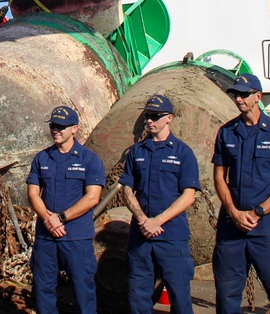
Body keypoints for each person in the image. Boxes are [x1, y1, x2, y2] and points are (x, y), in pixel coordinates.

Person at [211, 74, 270, 314]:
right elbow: (219, 177)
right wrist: (233, 212)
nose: (238, 99)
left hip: (269, 229)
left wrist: (258, 212)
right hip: (232, 227)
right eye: (235, 94)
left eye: (244, 94)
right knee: (227, 299)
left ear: (258, 97)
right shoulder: (226, 132)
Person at [119, 94, 200, 314]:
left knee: (179, 295)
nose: (149, 121)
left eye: (155, 116)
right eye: (147, 115)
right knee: (138, 295)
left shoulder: (183, 153)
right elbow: (127, 189)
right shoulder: (137, 152)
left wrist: (158, 221)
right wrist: (143, 220)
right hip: (141, 236)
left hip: (172, 236)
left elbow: (189, 195)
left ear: (169, 118)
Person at [26, 105, 105, 314]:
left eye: (61, 126)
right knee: (43, 292)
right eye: (53, 126)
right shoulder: (42, 158)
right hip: (46, 238)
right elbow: (33, 193)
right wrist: (47, 218)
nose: (56, 130)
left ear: (74, 129)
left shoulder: (89, 159)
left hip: (76, 238)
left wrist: (61, 218)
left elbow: (93, 197)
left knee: (83, 292)